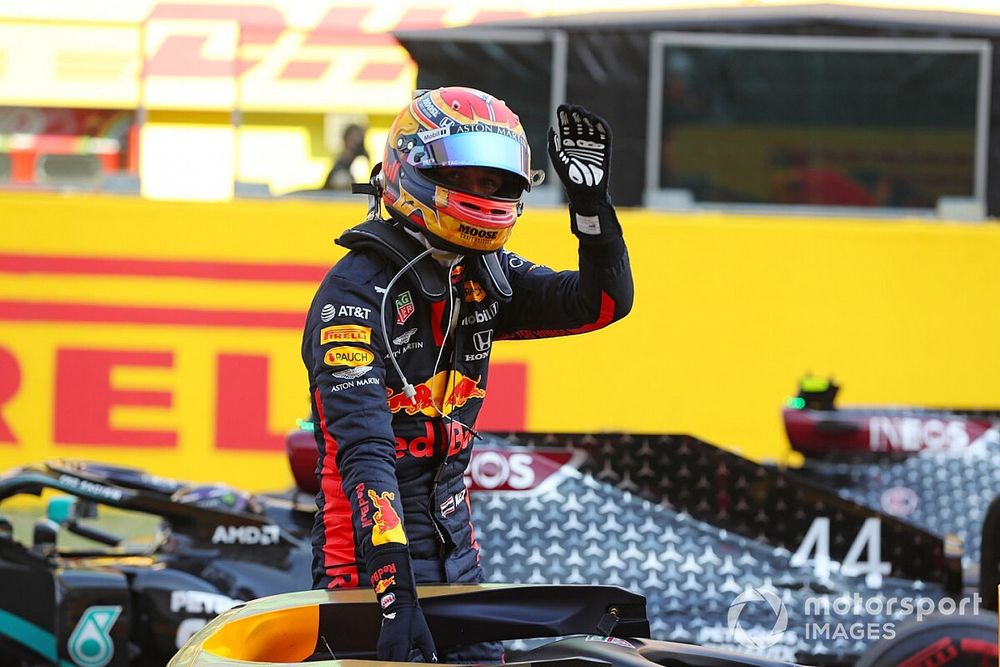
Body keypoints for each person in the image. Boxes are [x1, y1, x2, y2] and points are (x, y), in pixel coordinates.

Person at [301, 87, 633, 662]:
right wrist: (392, 595)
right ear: (416, 169)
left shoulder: (484, 275)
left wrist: (591, 206)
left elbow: (600, 303)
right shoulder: (351, 293)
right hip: (365, 562)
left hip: (457, 551)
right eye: (469, 178)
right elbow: (365, 456)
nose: (485, 195)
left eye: (498, 181)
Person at [324, 123, 370, 191]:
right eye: (354, 139)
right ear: (346, 140)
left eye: (359, 139)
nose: (357, 142)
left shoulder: (361, 163)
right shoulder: (340, 165)